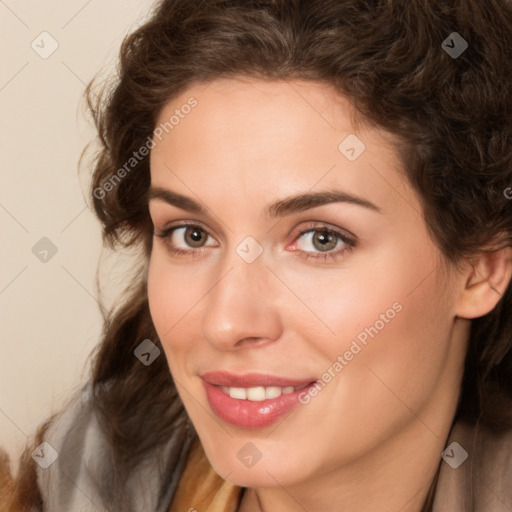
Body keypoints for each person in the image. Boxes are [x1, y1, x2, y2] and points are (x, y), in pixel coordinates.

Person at [2, 0, 512, 510]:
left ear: (482, 267)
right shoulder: (87, 473)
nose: (226, 322)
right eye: (191, 235)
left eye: (320, 239)